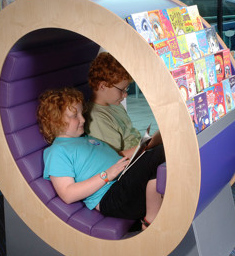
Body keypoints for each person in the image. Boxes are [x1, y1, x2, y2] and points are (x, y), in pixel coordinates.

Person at [38, 87, 165, 230]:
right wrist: (106, 175)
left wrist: (144, 147)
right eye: (75, 116)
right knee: (159, 154)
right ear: (55, 121)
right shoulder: (57, 151)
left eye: (81, 113)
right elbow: (67, 193)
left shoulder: (85, 139)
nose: (83, 119)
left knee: (159, 155)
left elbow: (117, 156)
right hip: (111, 197)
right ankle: (149, 223)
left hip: (124, 181)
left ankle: (152, 218)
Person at [85, 52, 142, 159]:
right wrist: (144, 147)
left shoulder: (115, 105)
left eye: (127, 89)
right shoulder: (97, 118)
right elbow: (113, 158)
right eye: (122, 90)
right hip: (128, 164)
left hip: (138, 153)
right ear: (102, 86)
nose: (125, 95)